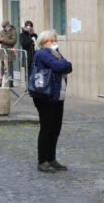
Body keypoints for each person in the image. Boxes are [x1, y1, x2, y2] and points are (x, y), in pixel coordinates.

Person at [31, 29, 73, 172]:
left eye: (56, 40)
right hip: (45, 96)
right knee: (47, 128)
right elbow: (60, 66)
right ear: (44, 42)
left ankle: (51, 158)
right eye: (51, 41)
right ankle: (42, 160)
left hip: (57, 96)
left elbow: (68, 66)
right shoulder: (43, 53)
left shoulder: (55, 53)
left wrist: (64, 65)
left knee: (55, 129)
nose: (55, 43)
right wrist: (64, 65)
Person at [0, 20, 18, 87]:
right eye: (3, 27)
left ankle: (10, 83)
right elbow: (1, 41)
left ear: (8, 25)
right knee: (2, 67)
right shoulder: (2, 31)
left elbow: (13, 41)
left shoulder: (13, 31)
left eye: (4, 26)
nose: (4, 28)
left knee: (9, 67)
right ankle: (2, 82)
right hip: (3, 51)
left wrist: (3, 40)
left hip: (9, 51)